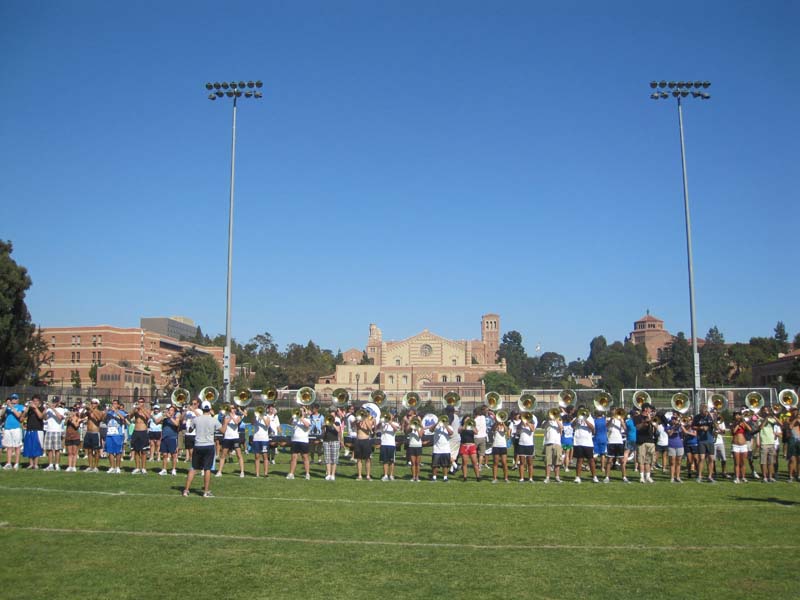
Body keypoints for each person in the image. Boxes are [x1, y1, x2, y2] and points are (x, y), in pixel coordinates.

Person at [183, 400, 229, 497]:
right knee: (207, 469)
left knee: (193, 468)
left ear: (202, 409)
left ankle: (186, 490)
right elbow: (223, 430)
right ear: (210, 409)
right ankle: (206, 491)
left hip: (198, 445)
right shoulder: (213, 420)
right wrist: (225, 422)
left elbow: (190, 429)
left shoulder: (196, 419)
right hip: (208, 446)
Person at [217, 406, 245, 478]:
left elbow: (236, 422)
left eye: (233, 408)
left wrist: (231, 416)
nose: (232, 409)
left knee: (239, 455)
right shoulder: (226, 417)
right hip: (227, 438)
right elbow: (224, 427)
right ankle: (219, 471)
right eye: (231, 408)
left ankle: (242, 472)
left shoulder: (238, 417)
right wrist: (226, 419)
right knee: (223, 455)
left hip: (235, 438)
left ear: (235, 410)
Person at [572, 407, 598, 484]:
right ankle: (577, 477)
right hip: (578, 441)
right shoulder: (576, 418)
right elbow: (572, 426)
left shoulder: (590, 418)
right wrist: (577, 419)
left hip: (588, 442)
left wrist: (585, 420)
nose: (582, 413)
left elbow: (593, 428)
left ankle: (594, 477)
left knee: (591, 460)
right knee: (579, 460)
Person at [693, 404, 716, 483]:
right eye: (702, 411)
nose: (704, 413)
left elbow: (716, 426)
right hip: (701, 440)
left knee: (711, 459)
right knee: (701, 458)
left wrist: (713, 418)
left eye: (705, 411)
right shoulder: (697, 417)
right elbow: (693, 426)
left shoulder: (710, 417)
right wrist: (701, 428)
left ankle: (710, 476)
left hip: (710, 440)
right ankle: (699, 476)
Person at [634, 404, 657, 483]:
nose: (651, 411)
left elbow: (656, 428)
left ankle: (648, 476)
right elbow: (638, 427)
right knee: (641, 460)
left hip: (650, 441)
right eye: (650, 409)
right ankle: (641, 477)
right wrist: (645, 421)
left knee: (648, 460)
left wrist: (651, 421)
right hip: (641, 441)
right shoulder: (637, 417)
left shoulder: (652, 417)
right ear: (646, 409)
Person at [287, 407, 312, 480]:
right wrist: (293, 417)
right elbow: (289, 422)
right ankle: (291, 473)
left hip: (304, 441)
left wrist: (301, 418)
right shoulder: (295, 419)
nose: (300, 412)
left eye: (302, 411)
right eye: (299, 411)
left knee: (305, 457)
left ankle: (307, 474)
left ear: (304, 412)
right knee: (294, 457)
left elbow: (307, 425)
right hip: (295, 440)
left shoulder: (307, 419)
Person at [21, 395, 45, 469]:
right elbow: (21, 418)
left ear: (39, 402)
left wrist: (35, 408)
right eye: (34, 401)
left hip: (38, 430)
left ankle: (36, 464)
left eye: (36, 401)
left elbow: (40, 416)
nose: (35, 402)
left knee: (36, 447)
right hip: (29, 429)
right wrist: (27, 409)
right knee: (29, 447)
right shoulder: (29, 409)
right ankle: (31, 463)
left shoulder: (42, 408)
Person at [2, 394, 25, 470]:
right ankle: (8, 463)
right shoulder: (7, 407)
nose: (13, 400)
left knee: (17, 446)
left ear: (18, 400)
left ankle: (16, 463)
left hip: (16, 428)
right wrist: (6, 406)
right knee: (9, 446)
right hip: (7, 428)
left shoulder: (20, 407)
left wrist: (11, 407)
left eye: (15, 399)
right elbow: (2, 414)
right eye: (12, 399)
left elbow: (18, 415)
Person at [604, 410, 628, 483]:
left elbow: (625, 429)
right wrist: (611, 419)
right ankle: (607, 477)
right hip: (611, 441)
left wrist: (622, 421)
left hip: (619, 441)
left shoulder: (620, 419)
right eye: (614, 412)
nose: (615, 413)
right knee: (609, 461)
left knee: (621, 461)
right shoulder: (608, 419)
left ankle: (624, 477)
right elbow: (606, 426)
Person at [43, 397, 66, 471]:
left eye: (56, 402)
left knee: (57, 449)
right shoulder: (48, 409)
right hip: (49, 430)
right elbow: (44, 417)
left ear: (59, 402)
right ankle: (50, 465)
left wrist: (53, 409)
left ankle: (57, 465)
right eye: (53, 401)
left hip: (57, 431)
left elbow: (60, 418)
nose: (54, 403)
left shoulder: (61, 410)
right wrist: (46, 409)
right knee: (49, 449)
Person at [105, 400, 127, 474]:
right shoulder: (109, 413)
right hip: (109, 434)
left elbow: (123, 419)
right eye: (113, 404)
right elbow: (103, 418)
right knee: (110, 451)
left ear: (118, 405)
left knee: (118, 452)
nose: (113, 405)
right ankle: (112, 467)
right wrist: (107, 411)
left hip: (118, 434)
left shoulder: (121, 412)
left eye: (115, 404)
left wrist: (116, 411)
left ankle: (117, 467)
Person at [83, 399, 106, 472]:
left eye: (94, 403)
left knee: (96, 450)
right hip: (88, 432)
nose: (92, 404)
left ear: (97, 404)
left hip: (96, 433)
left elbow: (99, 419)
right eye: (92, 403)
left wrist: (92, 410)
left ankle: (95, 466)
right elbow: (81, 415)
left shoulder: (99, 412)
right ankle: (90, 466)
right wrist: (84, 409)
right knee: (89, 450)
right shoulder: (89, 412)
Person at [429, 416, 453, 482]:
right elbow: (430, 430)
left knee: (445, 465)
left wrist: (445, 426)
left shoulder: (449, 427)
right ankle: (434, 477)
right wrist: (437, 423)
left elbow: (451, 433)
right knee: (435, 465)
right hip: (437, 449)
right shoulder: (437, 427)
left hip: (446, 449)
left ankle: (445, 477)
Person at [158, 404, 181, 476]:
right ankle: (164, 469)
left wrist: (170, 417)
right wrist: (163, 416)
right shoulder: (165, 418)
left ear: (174, 412)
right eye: (169, 410)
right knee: (164, 454)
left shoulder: (175, 417)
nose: (169, 411)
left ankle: (173, 469)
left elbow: (177, 424)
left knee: (173, 455)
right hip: (164, 438)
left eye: (171, 410)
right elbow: (156, 421)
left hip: (172, 438)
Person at [130, 398, 151, 474]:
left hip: (143, 431)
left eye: (141, 402)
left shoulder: (147, 410)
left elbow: (148, 417)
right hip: (136, 431)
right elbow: (129, 416)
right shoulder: (136, 411)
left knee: (144, 451)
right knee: (136, 451)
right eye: (138, 402)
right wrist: (134, 409)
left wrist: (142, 409)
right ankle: (137, 467)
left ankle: (143, 468)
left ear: (144, 403)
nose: (139, 403)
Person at [756, 408, 778, 483]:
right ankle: (764, 477)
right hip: (764, 443)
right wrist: (766, 418)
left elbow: (781, 424)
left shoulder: (772, 420)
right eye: (764, 410)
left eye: (767, 410)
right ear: (762, 412)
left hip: (771, 442)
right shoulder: (759, 420)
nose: (766, 412)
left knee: (771, 462)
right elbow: (761, 427)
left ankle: (770, 477)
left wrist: (774, 416)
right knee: (763, 462)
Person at [542, 410, 563, 484]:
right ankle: (547, 477)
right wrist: (548, 420)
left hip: (557, 443)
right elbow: (542, 426)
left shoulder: (559, 421)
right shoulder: (546, 421)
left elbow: (561, 428)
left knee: (557, 461)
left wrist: (556, 420)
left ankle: (557, 477)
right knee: (548, 461)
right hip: (548, 443)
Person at [353, 409, 374, 480]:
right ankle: (359, 475)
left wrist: (365, 420)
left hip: (366, 440)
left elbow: (370, 430)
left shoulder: (369, 420)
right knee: (359, 459)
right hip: (358, 440)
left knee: (367, 459)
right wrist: (357, 420)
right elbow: (353, 424)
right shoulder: (358, 421)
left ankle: (368, 475)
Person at [666, 413, 687, 483]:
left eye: (675, 419)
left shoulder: (680, 426)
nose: (674, 420)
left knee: (679, 462)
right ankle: (672, 477)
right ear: (671, 420)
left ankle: (678, 477)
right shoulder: (668, 426)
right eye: (673, 419)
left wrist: (681, 425)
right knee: (672, 462)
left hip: (679, 445)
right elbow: (669, 434)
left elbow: (685, 432)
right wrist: (674, 427)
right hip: (671, 445)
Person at [731, 412, 751, 483]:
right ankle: (737, 477)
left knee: (743, 462)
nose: (737, 416)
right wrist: (738, 424)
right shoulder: (733, 423)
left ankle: (743, 477)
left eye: (738, 415)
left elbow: (750, 429)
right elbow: (733, 431)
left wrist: (744, 422)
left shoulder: (743, 423)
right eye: (736, 415)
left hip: (743, 445)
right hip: (735, 445)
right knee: (737, 463)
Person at [378, 414, 400, 481]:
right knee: (385, 461)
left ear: (393, 417)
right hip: (384, 444)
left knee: (392, 461)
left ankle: (391, 475)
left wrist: (390, 423)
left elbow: (396, 429)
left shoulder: (395, 423)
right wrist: (382, 422)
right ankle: (385, 475)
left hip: (391, 444)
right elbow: (378, 427)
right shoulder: (383, 423)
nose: (389, 417)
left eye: (391, 416)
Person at [516, 412, 537, 483]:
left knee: (530, 463)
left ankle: (530, 478)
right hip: (521, 444)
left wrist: (528, 423)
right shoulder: (520, 424)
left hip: (529, 445)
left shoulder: (532, 424)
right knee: (522, 462)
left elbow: (532, 430)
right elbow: (517, 430)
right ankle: (521, 478)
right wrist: (522, 422)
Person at [251, 408, 272, 478]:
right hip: (256, 438)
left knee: (265, 456)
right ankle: (257, 473)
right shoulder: (256, 417)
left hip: (264, 439)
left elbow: (267, 425)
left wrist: (262, 417)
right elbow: (252, 423)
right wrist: (254, 416)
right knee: (257, 456)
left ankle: (266, 473)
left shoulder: (267, 417)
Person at [322, 411, 341, 481]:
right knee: (327, 459)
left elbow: (338, 430)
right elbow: (323, 430)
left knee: (334, 459)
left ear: (335, 416)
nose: (331, 417)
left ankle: (333, 475)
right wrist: (324, 425)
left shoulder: (337, 423)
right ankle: (328, 474)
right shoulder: (326, 422)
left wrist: (332, 423)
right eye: (330, 415)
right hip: (326, 441)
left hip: (335, 441)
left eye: (333, 416)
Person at [405, 411, 423, 482]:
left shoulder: (420, 427)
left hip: (418, 446)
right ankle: (413, 477)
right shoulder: (410, 427)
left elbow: (420, 436)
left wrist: (417, 429)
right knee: (413, 463)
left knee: (417, 463)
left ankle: (417, 477)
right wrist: (410, 424)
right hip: (411, 446)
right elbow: (406, 431)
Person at [490, 415, 509, 483]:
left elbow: (507, 431)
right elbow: (493, 429)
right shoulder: (495, 425)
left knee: (504, 463)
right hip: (496, 445)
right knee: (495, 462)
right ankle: (494, 478)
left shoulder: (504, 426)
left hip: (503, 446)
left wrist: (503, 423)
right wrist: (497, 423)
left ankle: (506, 478)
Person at [183, 398, 200, 464]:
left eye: (194, 404)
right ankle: (193, 461)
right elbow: (182, 419)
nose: (193, 405)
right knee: (189, 449)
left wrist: (192, 409)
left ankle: (196, 462)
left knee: (196, 450)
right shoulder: (188, 412)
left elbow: (199, 416)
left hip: (195, 433)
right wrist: (184, 412)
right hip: (188, 433)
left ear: (198, 404)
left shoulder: (199, 410)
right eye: (192, 404)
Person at [712, 414, 729, 479]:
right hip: (713, 442)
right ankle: (714, 472)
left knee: (724, 459)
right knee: (713, 459)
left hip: (720, 442)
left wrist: (718, 428)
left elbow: (724, 432)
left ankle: (724, 472)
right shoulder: (711, 422)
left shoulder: (721, 422)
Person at [593, 409, 608, 478]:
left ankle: (593, 466)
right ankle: (602, 468)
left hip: (596, 438)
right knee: (603, 454)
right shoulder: (605, 420)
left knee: (595, 454)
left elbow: (594, 431)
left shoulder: (594, 421)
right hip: (604, 438)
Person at [473, 406, 488, 471]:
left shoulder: (474, 420)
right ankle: (479, 466)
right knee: (481, 453)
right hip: (483, 437)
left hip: (476, 437)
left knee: (474, 452)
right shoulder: (483, 417)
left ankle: (476, 464)